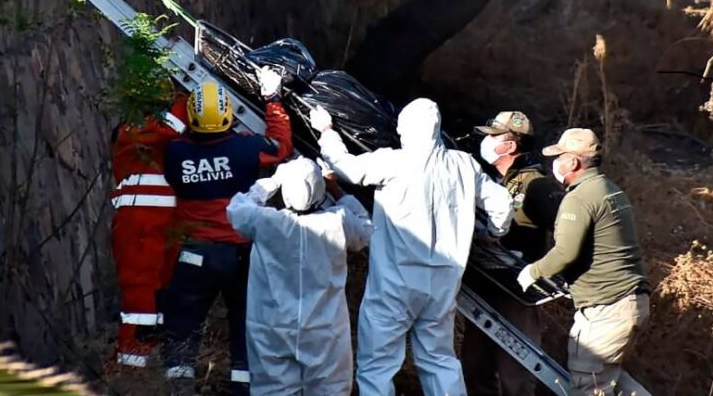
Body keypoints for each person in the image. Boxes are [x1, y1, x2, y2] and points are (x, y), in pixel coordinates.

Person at [310, 98, 514, 396]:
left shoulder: (393, 161)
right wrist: (491, 232)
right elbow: (501, 202)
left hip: (395, 282)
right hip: (444, 281)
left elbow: (346, 168)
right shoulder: (463, 165)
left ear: (406, 128)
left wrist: (326, 130)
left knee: (377, 366)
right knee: (440, 360)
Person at [160, 70, 292, 396]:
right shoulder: (245, 149)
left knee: (182, 329)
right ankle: (243, 389)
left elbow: (168, 133)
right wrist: (273, 101)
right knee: (246, 325)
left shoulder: (174, 153)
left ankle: (180, 388)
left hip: (194, 255)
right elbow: (280, 146)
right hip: (241, 254)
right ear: (228, 115)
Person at [517, 128, 650, 396]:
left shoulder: (578, 198)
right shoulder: (611, 190)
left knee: (587, 383)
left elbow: (565, 252)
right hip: (631, 302)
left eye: (560, 156)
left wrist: (532, 272)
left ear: (574, 162)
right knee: (610, 379)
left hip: (606, 309)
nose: (554, 163)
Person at [226, 157, 373, 395]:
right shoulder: (338, 221)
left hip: (272, 327)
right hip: (325, 329)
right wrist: (335, 187)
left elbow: (236, 209)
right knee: (330, 390)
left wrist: (272, 181)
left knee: (272, 390)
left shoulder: (266, 221)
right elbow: (366, 229)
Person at [462, 111, 563, 396]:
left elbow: (568, 228)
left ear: (510, 145)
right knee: (474, 366)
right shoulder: (487, 181)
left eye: (493, 136)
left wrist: (546, 269)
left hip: (518, 293)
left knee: (515, 371)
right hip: (484, 285)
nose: (486, 141)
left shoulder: (536, 185)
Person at [108, 92, 187, 369]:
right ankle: (130, 364)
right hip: (138, 227)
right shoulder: (133, 130)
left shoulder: (155, 136)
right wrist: (186, 99)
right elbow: (171, 127)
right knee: (140, 293)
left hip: (160, 224)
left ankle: (146, 357)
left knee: (160, 292)